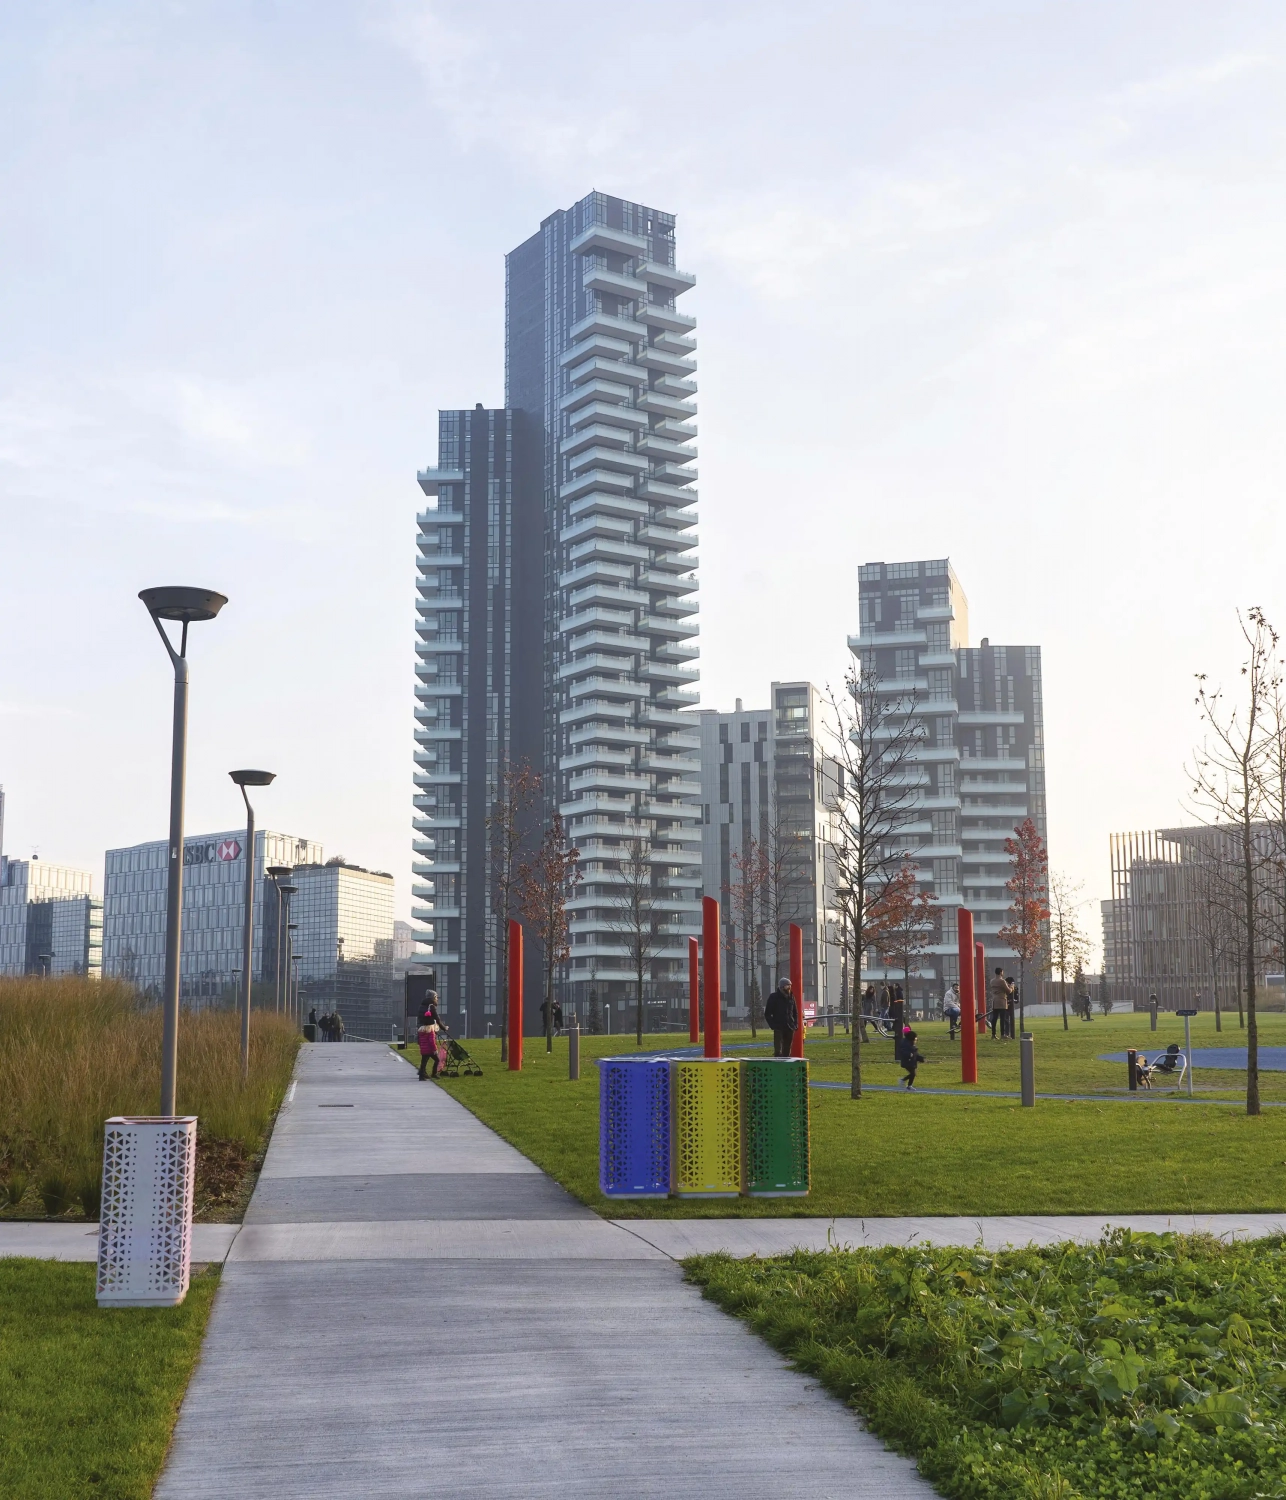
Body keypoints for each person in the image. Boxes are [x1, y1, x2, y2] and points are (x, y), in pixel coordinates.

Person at [763, 978, 798, 1057]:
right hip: (778, 1027)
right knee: (778, 1051)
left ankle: (785, 1064)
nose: (789, 988)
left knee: (787, 1049)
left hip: (790, 1026)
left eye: (790, 986)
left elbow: (795, 1012)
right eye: (787, 986)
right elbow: (767, 1013)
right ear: (782, 987)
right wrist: (773, 1026)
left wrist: (795, 1024)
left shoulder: (791, 997)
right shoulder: (774, 997)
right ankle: (778, 1064)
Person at [988, 968, 1013, 1040]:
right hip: (1002, 1001)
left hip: (995, 1001)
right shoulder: (1002, 981)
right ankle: (1002, 1035)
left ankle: (993, 1034)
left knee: (994, 1018)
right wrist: (1011, 987)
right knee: (1002, 1019)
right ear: (1001, 972)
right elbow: (1008, 991)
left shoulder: (992, 981)